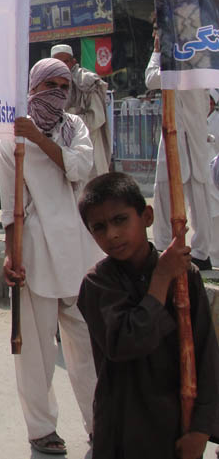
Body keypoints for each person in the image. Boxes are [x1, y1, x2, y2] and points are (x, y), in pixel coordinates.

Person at [0, 58, 101, 455]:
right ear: (34, 87)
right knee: (35, 351)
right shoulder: (10, 138)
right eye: (50, 85)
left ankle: (99, 423)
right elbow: (10, 208)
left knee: (87, 349)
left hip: (78, 249)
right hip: (35, 251)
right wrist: (10, 256)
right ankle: (41, 428)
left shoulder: (74, 127)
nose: (58, 92)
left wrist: (40, 140)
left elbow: (79, 168)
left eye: (64, 85)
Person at [77, 172, 219, 459]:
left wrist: (201, 430)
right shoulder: (98, 283)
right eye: (99, 227)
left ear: (147, 216)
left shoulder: (185, 276)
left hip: (178, 425)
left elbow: (207, 354)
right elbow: (126, 342)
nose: (112, 234)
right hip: (122, 429)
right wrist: (161, 279)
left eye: (120, 220)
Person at [148, 29, 219, 270]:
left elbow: (153, 78)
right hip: (174, 137)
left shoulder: (192, 58)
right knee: (164, 190)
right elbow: (154, 80)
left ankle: (200, 252)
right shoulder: (179, 60)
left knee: (200, 193)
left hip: (194, 140)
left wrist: (158, 53)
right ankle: (165, 246)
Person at [51, 43, 112, 180]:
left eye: (65, 62)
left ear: (73, 62)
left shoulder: (87, 82)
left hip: (89, 147)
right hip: (61, 152)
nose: (61, 66)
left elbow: (97, 118)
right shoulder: (48, 85)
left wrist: (68, 119)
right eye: (57, 63)